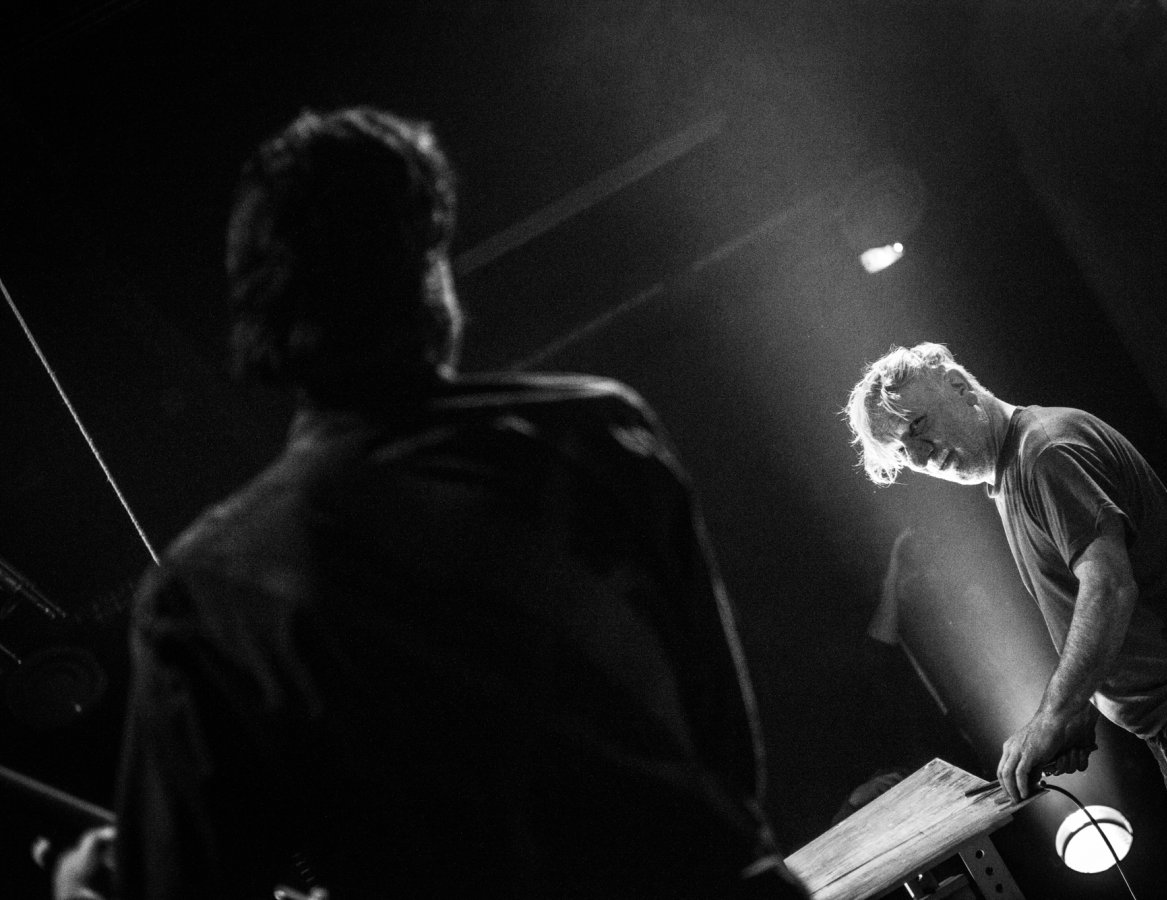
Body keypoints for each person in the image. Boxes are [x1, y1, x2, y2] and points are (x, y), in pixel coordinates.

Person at [52, 107, 808, 899]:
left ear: (262, 311)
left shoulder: (208, 593)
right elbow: (725, 762)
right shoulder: (597, 431)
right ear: (425, 275)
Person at [844, 341, 1167, 899]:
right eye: (903, 449)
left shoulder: (1045, 452)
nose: (919, 452)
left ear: (960, 388)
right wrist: (1084, 705)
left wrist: (1057, 713)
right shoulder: (1013, 472)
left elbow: (1109, 586)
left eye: (917, 424)